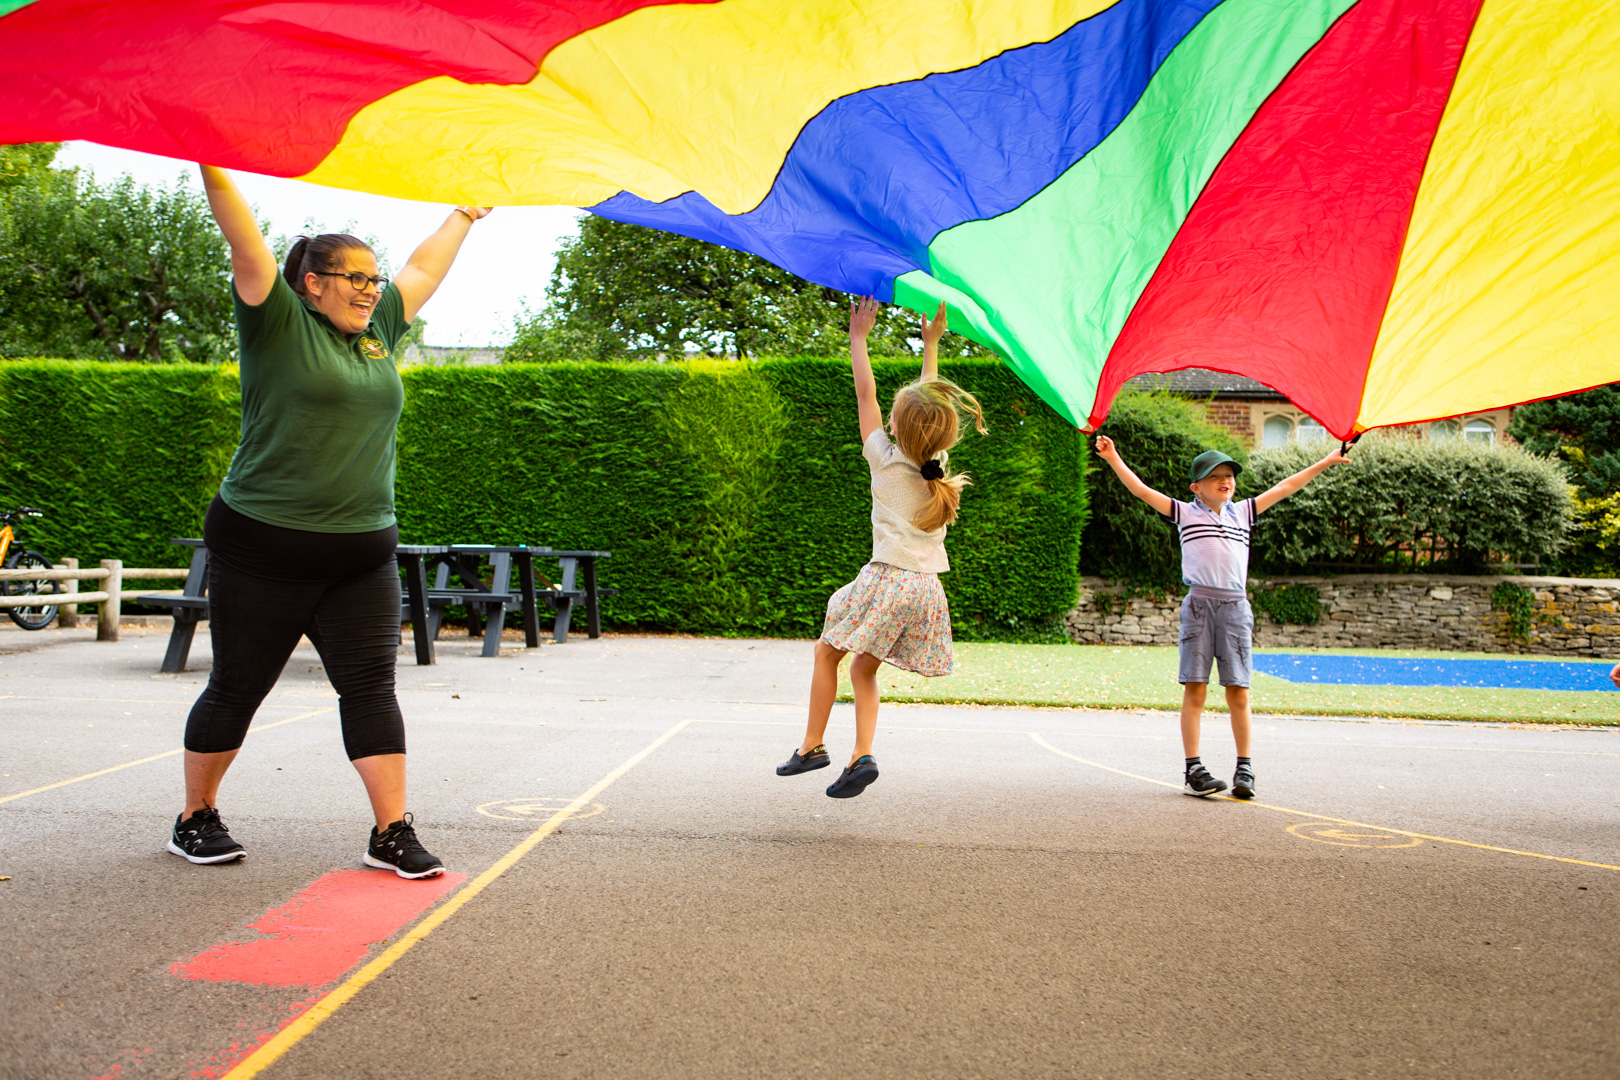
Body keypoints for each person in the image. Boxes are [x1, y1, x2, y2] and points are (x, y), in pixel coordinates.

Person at [167, 165, 489, 878]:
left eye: (374, 280)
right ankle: (195, 817)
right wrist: (207, 157)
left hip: (361, 556)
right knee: (237, 687)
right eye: (356, 278)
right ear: (311, 281)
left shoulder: (377, 333)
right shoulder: (274, 319)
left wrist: (465, 212)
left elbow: (422, 269)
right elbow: (242, 236)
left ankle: (391, 832)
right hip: (261, 548)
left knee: (372, 688)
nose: (372, 290)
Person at [777, 297, 986, 798]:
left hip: (888, 578)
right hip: (926, 591)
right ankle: (861, 755)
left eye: (893, 415)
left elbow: (865, 393)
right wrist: (930, 345)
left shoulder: (886, 462)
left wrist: (858, 338)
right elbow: (927, 403)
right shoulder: (934, 465)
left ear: (896, 427)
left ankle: (812, 746)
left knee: (827, 653)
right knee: (863, 666)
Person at [1092, 436, 1349, 799]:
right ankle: (1193, 770)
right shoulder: (1184, 512)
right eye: (1216, 476)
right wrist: (1114, 457)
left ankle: (1245, 769)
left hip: (1234, 608)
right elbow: (1140, 490)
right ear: (1196, 487)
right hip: (1199, 607)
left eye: (1229, 475)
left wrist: (1327, 460)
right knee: (1195, 689)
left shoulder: (1244, 512)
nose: (1225, 481)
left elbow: (1286, 486)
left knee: (1238, 692)